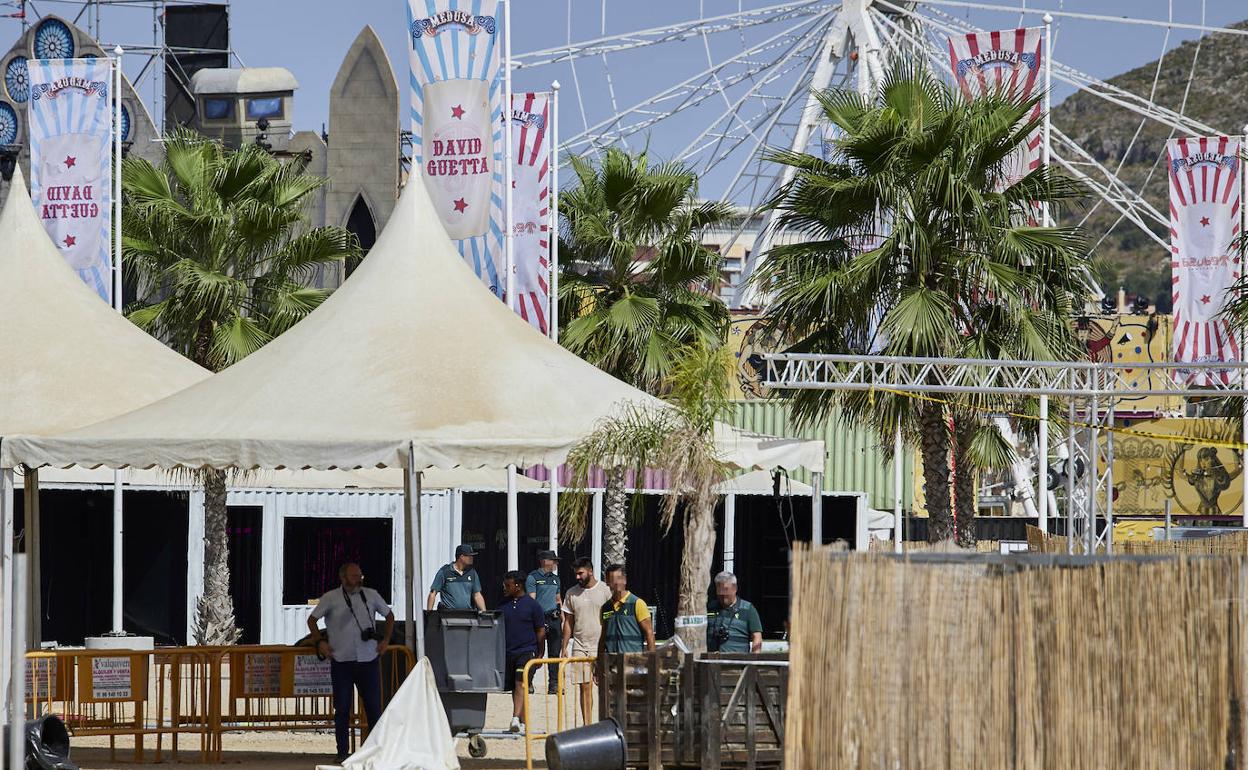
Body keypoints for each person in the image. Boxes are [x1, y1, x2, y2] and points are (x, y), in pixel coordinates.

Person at [307, 562, 395, 764]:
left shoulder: (371, 595)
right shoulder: (331, 598)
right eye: (354, 576)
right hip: (342, 660)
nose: (358, 579)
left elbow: (389, 616)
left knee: (374, 708)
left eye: (360, 576)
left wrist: (386, 640)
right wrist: (319, 642)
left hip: (368, 658)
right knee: (343, 708)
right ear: (343, 577)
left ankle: (375, 752)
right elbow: (312, 620)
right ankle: (342, 752)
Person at [561, 556, 611, 724]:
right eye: (575, 574)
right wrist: (565, 646)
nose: (577, 577)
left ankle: (606, 723)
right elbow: (568, 622)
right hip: (580, 646)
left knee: (604, 687)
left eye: (580, 573)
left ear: (590, 571)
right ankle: (587, 724)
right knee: (585, 686)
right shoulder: (571, 593)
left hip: (602, 646)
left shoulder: (605, 590)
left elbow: (612, 619)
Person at [500, 570, 545, 734]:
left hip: (527, 651)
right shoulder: (503, 605)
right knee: (516, 687)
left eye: (508, 585)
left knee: (521, 682)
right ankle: (523, 722)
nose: (504, 588)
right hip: (508, 652)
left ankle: (514, 718)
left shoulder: (533, 605)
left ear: (517, 586)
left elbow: (540, 631)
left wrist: (540, 653)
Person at [596, 564, 656, 674]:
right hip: (612, 665)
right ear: (607, 583)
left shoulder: (637, 603)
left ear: (625, 580)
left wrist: (651, 663)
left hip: (633, 665)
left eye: (619, 579)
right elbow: (603, 636)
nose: (616, 583)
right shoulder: (605, 608)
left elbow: (649, 633)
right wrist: (599, 664)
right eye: (612, 580)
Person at [526, 549, 563, 694]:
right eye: (553, 560)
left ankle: (553, 685)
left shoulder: (556, 579)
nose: (555, 563)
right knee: (536, 653)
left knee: (554, 654)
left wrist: (562, 619)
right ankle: (528, 682)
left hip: (553, 619)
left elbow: (558, 599)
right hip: (539, 619)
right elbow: (532, 600)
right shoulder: (533, 577)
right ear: (544, 561)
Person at [706, 571, 763, 654]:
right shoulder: (709, 607)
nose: (723, 594)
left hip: (738, 663)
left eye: (726, 589)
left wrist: (753, 662)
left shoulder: (748, 609)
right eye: (720, 590)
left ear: (735, 588)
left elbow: (757, 636)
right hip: (711, 662)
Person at [427, 544, 486, 611]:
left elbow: (477, 595)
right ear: (461, 557)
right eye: (470, 556)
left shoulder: (472, 573)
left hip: (466, 615)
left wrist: (484, 614)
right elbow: (433, 593)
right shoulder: (445, 572)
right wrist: (429, 614)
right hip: (448, 615)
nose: (472, 558)